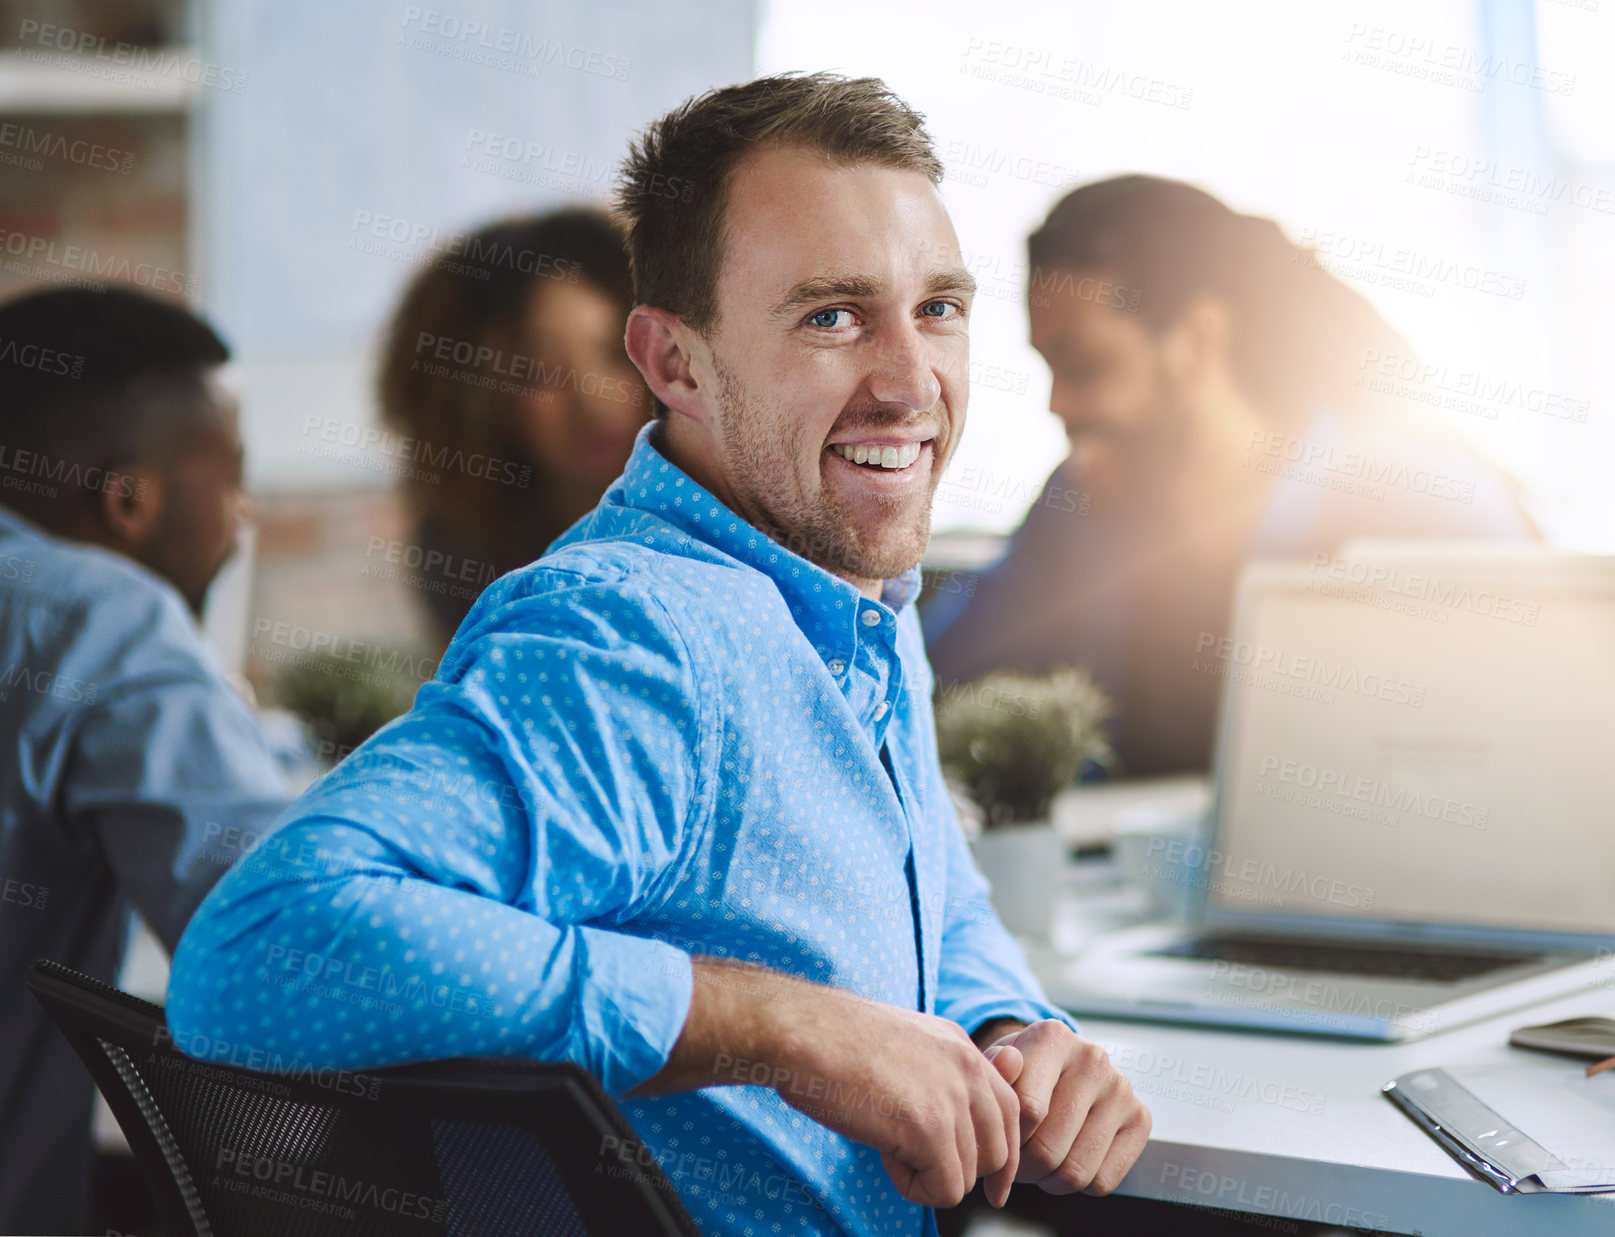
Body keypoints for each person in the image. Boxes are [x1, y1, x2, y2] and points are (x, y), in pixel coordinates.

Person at [165, 73, 1150, 1237]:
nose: (908, 382)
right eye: (831, 317)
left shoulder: (845, 594)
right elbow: (262, 948)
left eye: (937, 309)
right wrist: (787, 1026)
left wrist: (1010, 1030)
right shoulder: (634, 637)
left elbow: (933, 896)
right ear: (674, 364)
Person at [923, 175, 1538, 777]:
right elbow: (928, 686)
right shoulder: (1084, 504)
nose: (1060, 405)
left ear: (1195, 339)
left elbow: (1526, 757)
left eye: (1085, 366)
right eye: (1050, 369)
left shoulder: (1416, 507)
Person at [0, 286, 293, 1234]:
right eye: (233, 480)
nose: (243, 520)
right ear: (130, 498)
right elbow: (276, 945)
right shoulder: (96, 615)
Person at [377, 209, 650, 648]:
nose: (593, 401)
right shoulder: (461, 553)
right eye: (540, 372)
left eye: (617, 354)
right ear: (476, 402)